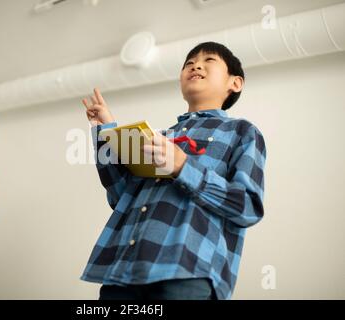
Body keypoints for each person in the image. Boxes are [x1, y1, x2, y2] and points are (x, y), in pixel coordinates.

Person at [80, 42, 266, 300]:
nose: (195, 65)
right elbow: (120, 196)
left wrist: (183, 167)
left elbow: (247, 207)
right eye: (188, 63)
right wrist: (105, 132)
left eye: (208, 60)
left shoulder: (243, 132)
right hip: (123, 274)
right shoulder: (159, 136)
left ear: (235, 83)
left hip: (187, 273)